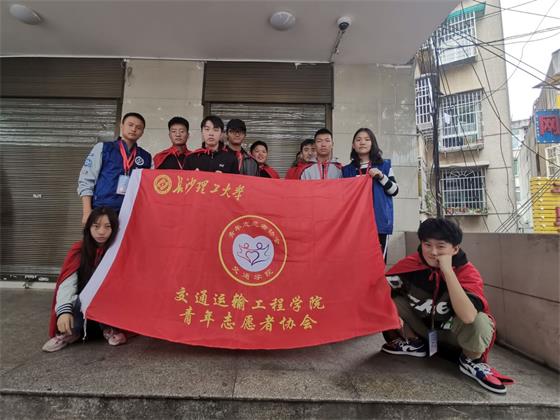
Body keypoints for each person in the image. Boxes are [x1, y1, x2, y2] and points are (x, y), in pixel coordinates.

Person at [382, 218, 513, 394]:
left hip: (454, 336)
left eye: (441, 246)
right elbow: (378, 292)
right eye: (427, 245)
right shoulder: (411, 265)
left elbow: (468, 317)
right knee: (385, 298)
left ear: (455, 249)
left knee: (480, 321)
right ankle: (415, 344)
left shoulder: (468, 273)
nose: (433, 252)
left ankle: (471, 361)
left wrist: (448, 271)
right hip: (424, 330)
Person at [42, 207, 127, 352]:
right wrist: (64, 311)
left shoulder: (119, 250)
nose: (101, 232)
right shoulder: (79, 250)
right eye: (96, 226)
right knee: (79, 300)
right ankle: (71, 332)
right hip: (82, 307)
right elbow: (68, 282)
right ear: (89, 228)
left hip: (108, 306)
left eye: (107, 227)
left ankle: (110, 328)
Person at [78, 112, 152, 223]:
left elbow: (148, 189)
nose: (133, 129)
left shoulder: (146, 157)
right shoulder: (103, 148)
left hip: (132, 213)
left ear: (142, 132)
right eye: (130, 125)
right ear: (121, 126)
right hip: (103, 210)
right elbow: (86, 179)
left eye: (138, 127)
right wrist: (87, 211)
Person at [342, 128, 398, 261]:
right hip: (355, 224)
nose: (362, 142)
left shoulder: (384, 165)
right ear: (353, 145)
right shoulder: (347, 170)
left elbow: (394, 191)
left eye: (367, 139)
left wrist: (381, 176)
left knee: (378, 263)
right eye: (358, 140)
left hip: (378, 222)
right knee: (357, 263)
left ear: (373, 143)